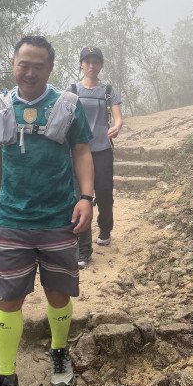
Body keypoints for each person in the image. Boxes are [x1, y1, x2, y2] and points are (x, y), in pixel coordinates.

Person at [0, 36, 94, 386]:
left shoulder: (67, 105)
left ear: (50, 68)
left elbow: (81, 150)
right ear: (13, 63)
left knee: (58, 292)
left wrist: (86, 198)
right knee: (8, 299)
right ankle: (6, 380)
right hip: (13, 219)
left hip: (59, 215)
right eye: (23, 64)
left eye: (38, 66)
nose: (29, 72)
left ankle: (59, 352)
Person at [72, 46, 122, 268]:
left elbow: (118, 117)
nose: (91, 66)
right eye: (87, 62)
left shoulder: (108, 91)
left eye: (96, 62)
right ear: (81, 64)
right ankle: (83, 249)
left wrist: (117, 126)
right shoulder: (72, 91)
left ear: (101, 65)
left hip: (102, 149)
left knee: (104, 194)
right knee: (81, 197)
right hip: (78, 151)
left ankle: (105, 227)